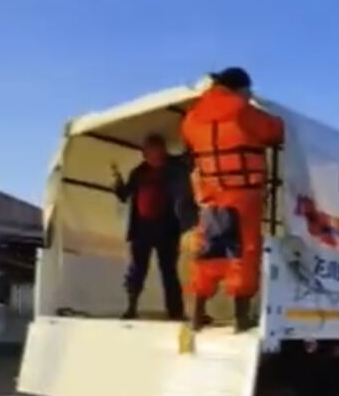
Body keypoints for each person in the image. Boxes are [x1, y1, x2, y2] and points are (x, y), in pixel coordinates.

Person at [180, 66, 284, 333]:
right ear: (240, 89)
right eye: (248, 91)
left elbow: (190, 141)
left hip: (210, 197)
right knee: (244, 252)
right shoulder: (243, 111)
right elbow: (274, 131)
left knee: (207, 252)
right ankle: (241, 317)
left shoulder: (191, 118)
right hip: (243, 196)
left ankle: (196, 314)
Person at [112, 133, 197, 320]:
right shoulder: (138, 173)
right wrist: (118, 186)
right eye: (149, 150)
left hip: (167, 227)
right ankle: (131, 307)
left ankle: (175, 312)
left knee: (169, 271)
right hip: (142, 228)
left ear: (163, 150)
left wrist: (190, 148)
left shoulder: (174, 168)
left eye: (157, 149)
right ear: (145, 153)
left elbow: (189, 163)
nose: (154, 154)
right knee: (137, 269)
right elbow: (125, 195)